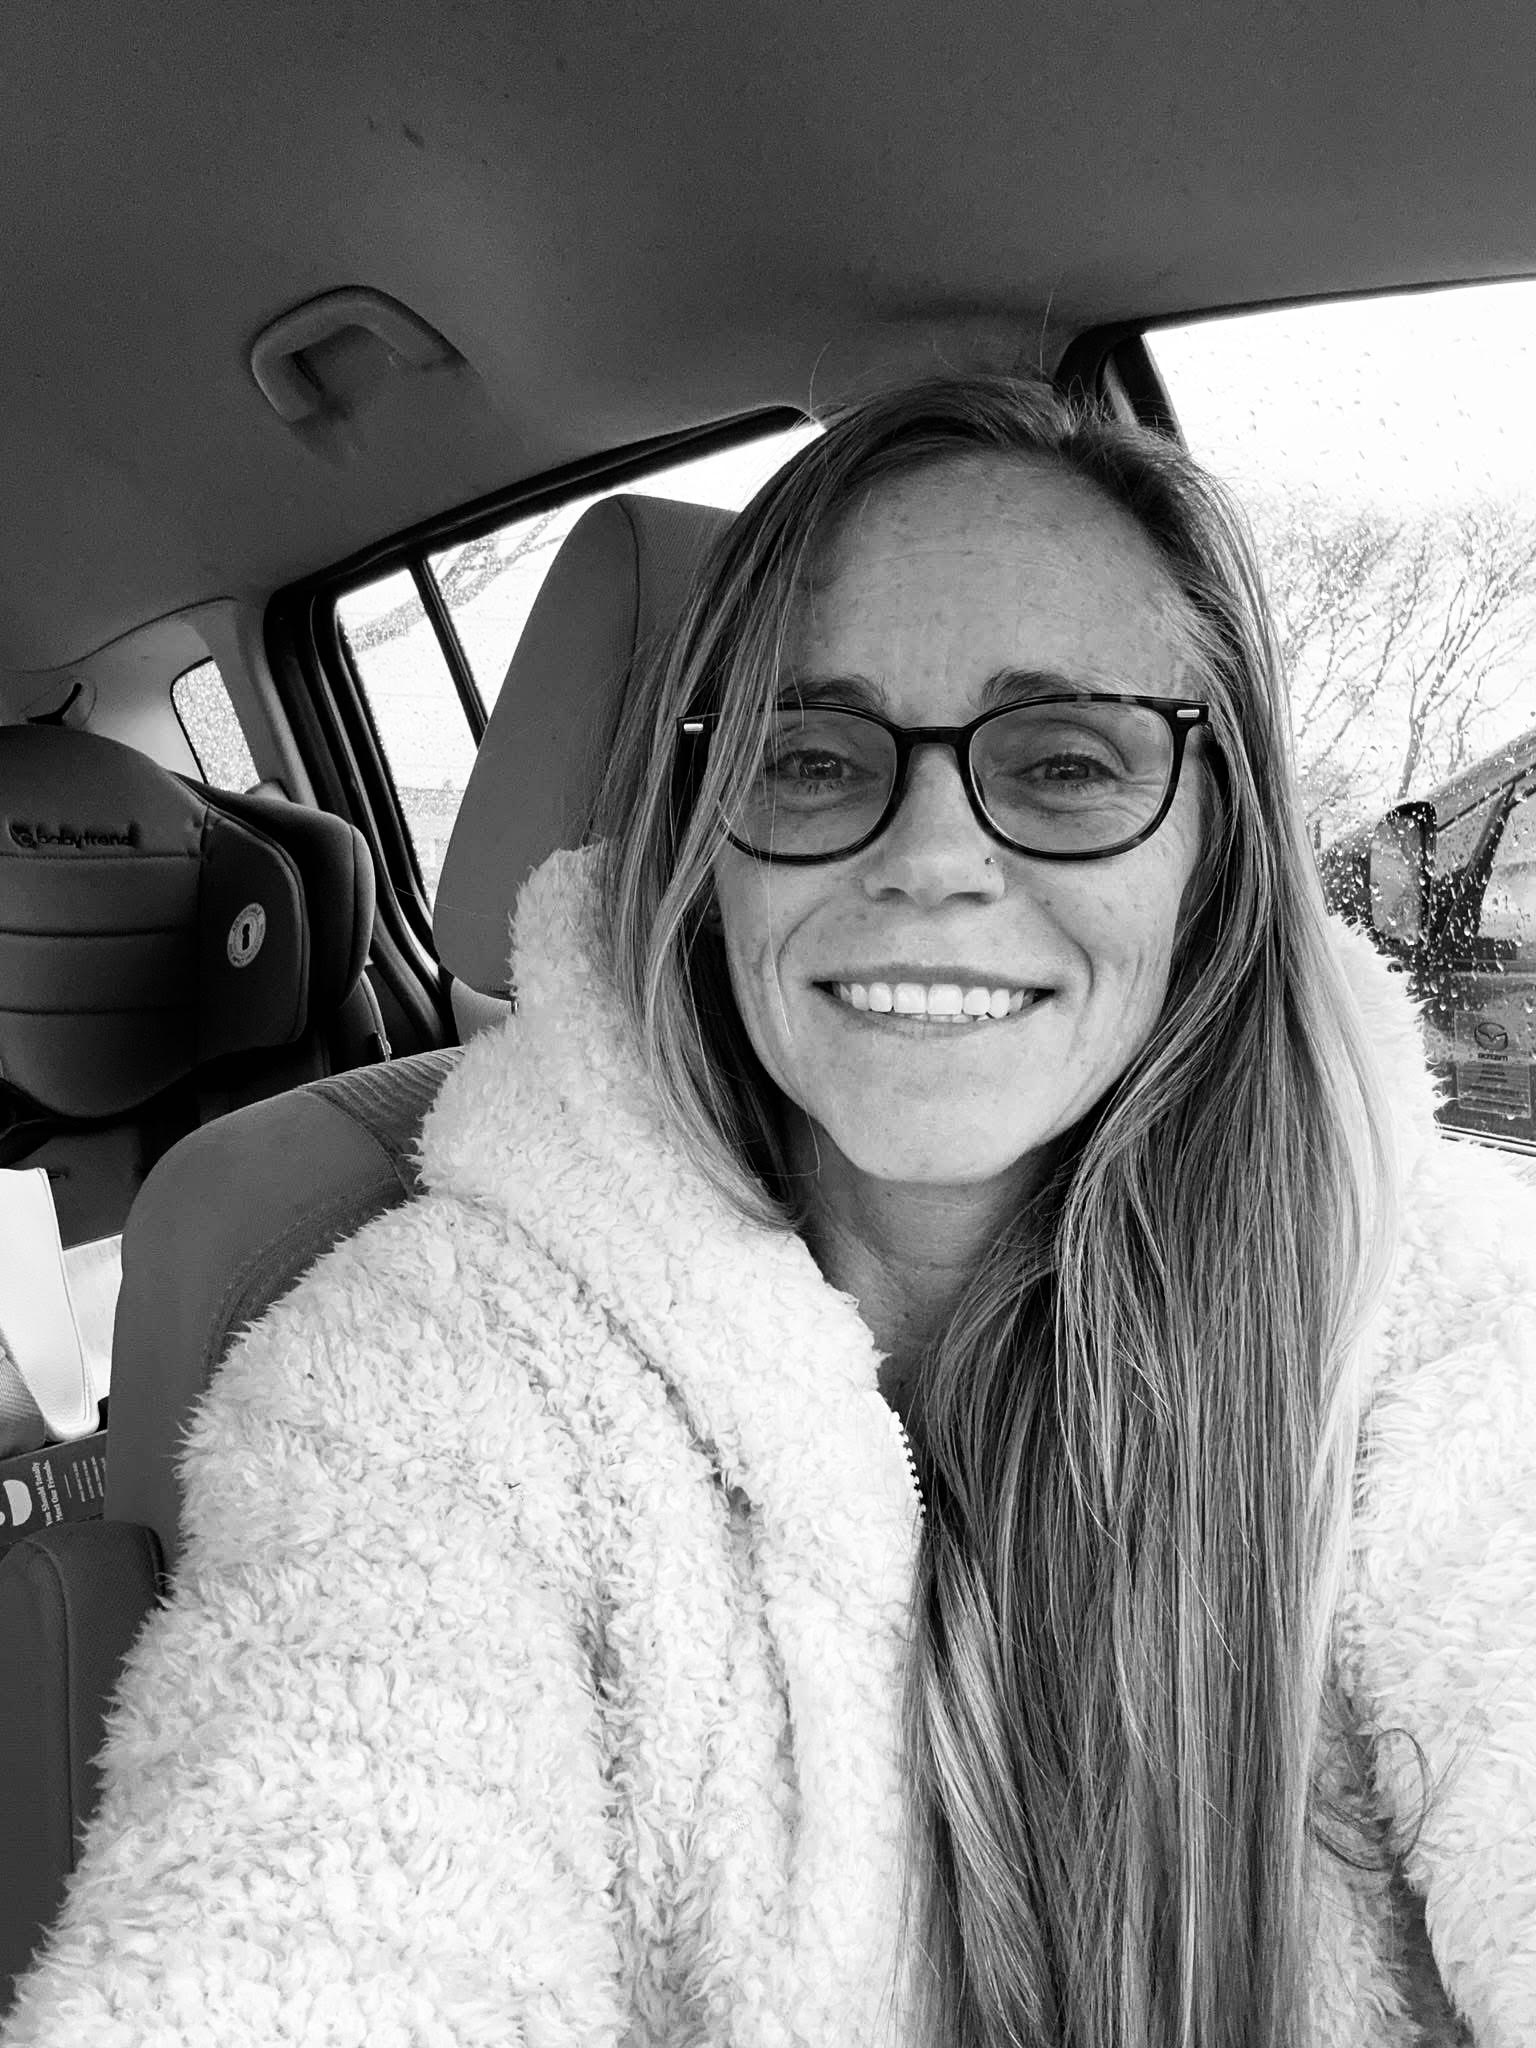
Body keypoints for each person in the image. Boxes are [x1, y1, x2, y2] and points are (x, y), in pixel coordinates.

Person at [4, 372, 1533, 2048]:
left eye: (1071, 759)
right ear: (700, 835)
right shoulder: (426, 1378)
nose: (935, 857)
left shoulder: (1448, 1331)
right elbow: (313, 1885)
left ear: (1217, 847)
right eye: (813, 756)